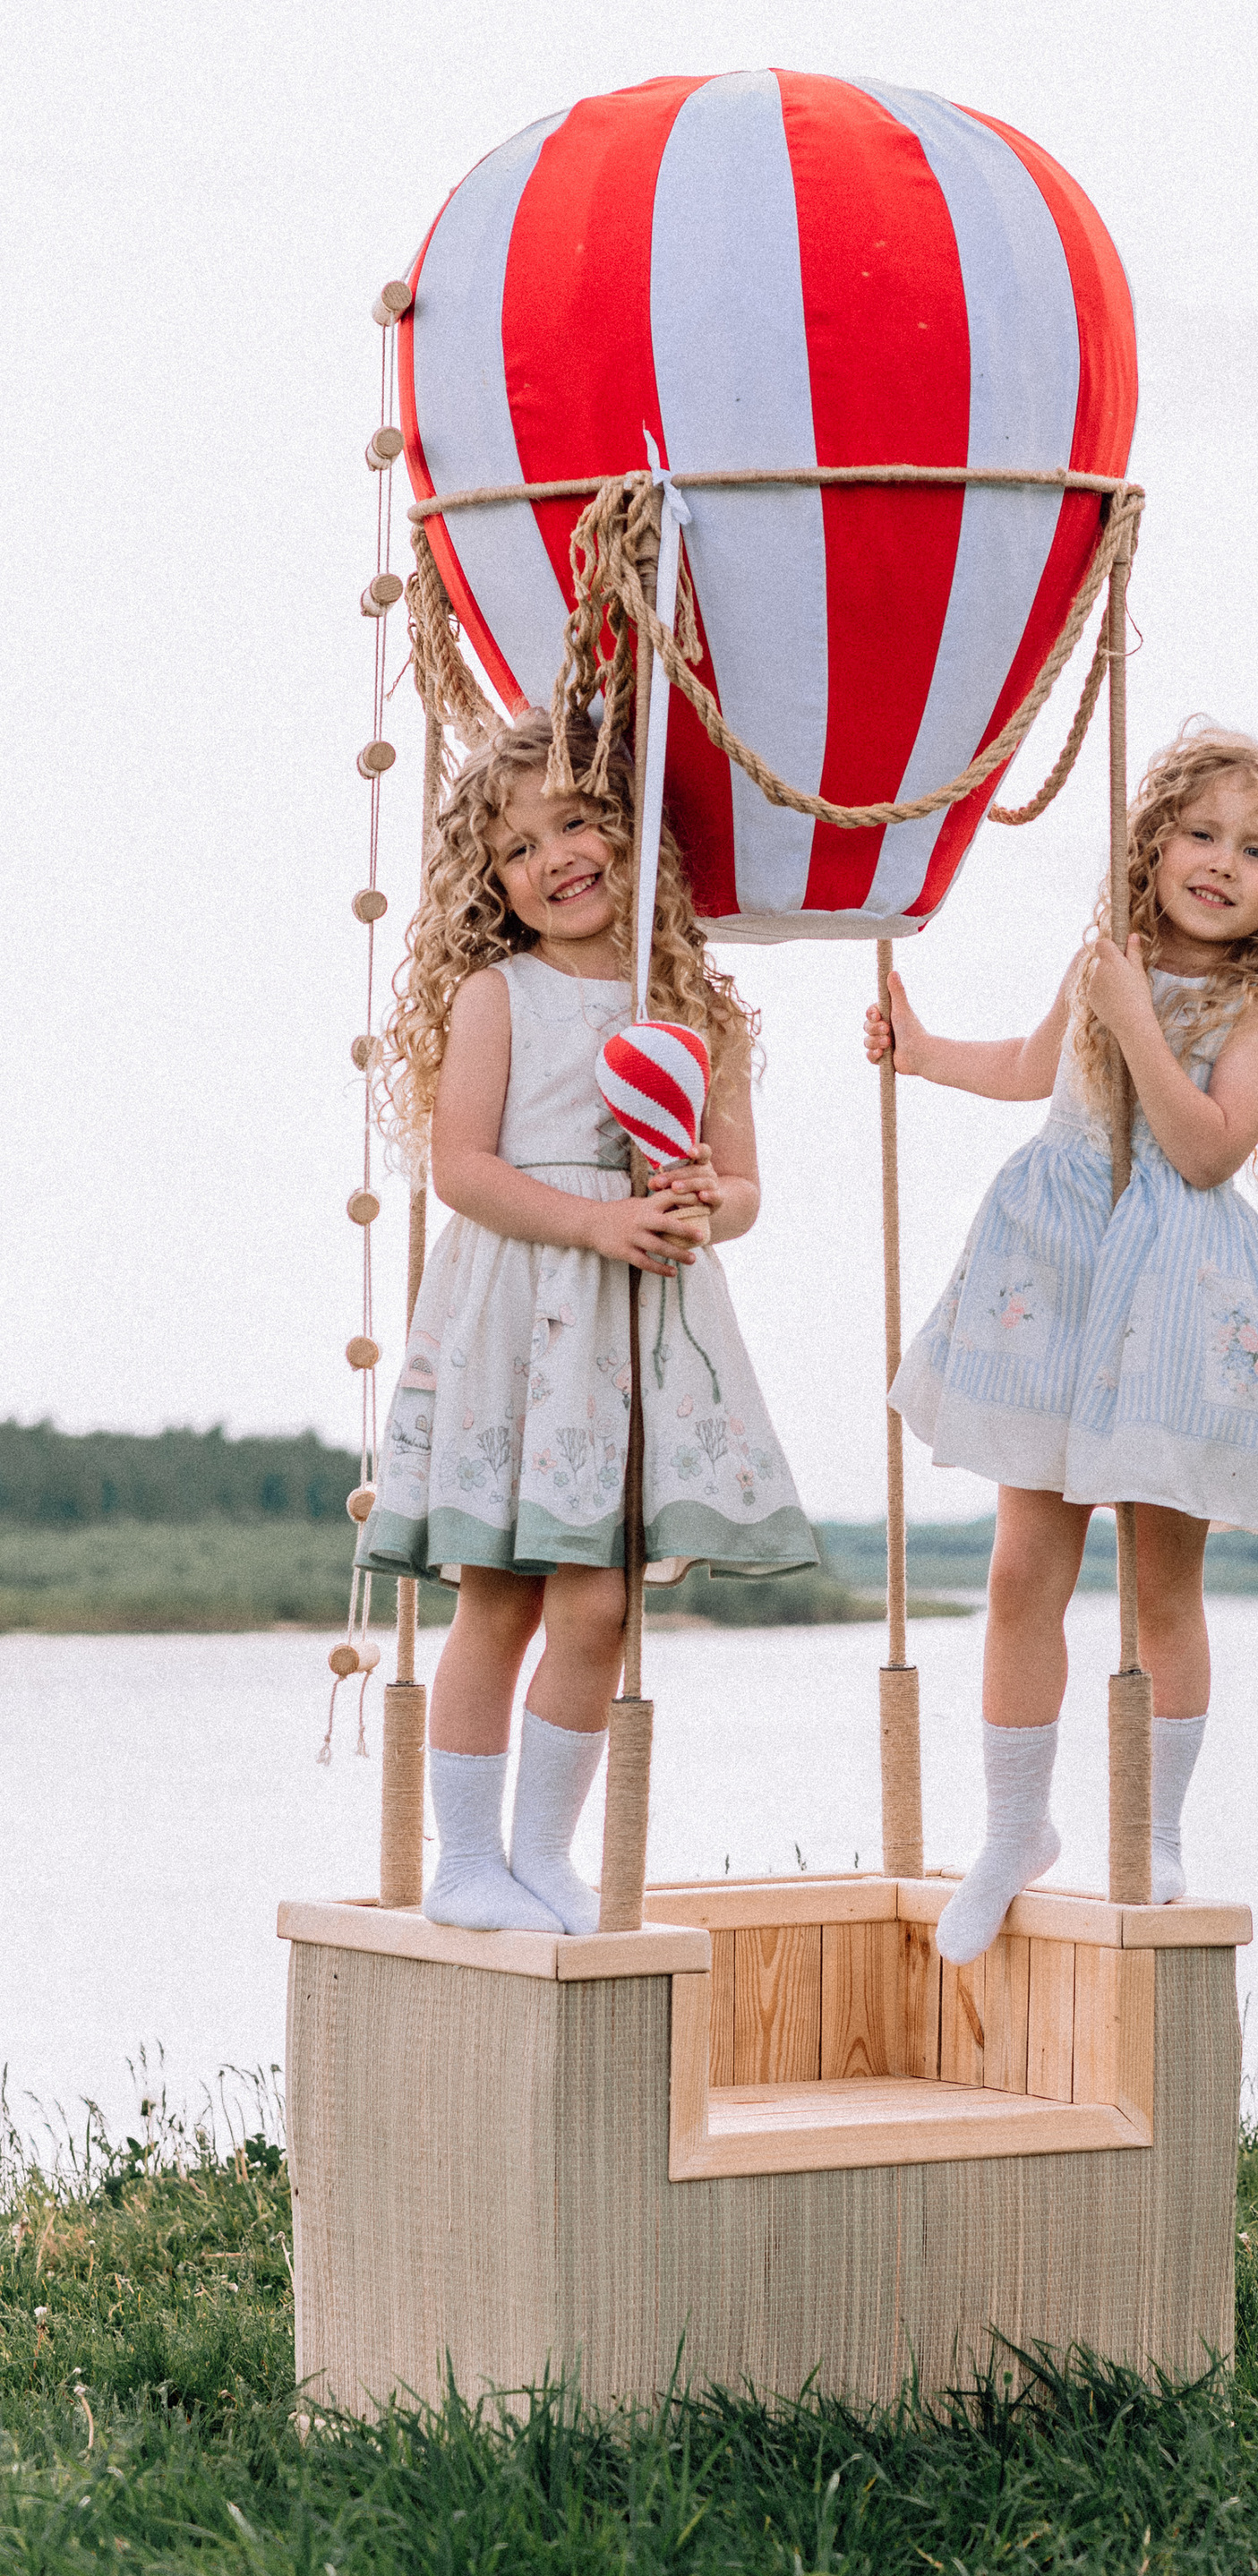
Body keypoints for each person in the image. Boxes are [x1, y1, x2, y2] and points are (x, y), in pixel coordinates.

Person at [865, 724, 1258, 1964]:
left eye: (1256, 850)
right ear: (1153, 845)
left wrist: (1139, 1018)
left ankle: (1156, 1826)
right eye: (1201, 832)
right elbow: (1034, 1068)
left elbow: (1205, 1148)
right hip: (1058, 1269)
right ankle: (1013, 1828)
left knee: (1159, 1585)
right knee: (1020, 1570)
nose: (1222, 862)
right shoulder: (1108, 958)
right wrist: (923, 1055)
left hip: (1172, 1296)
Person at [359, 708, 816, 1933]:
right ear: (492, 884)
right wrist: (596, 1221)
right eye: (516, 848)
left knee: (601, 1603)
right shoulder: (497, 996)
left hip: (630, 1334)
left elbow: (744, 1191)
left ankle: (543, 1856)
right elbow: (463, 1170)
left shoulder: (696, 1008)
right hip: (522, 1312)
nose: (553, 858)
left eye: (573, 822)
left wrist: (700, 1201)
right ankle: (465, 1863)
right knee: (498, 1596)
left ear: (628, 830)